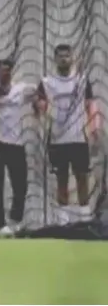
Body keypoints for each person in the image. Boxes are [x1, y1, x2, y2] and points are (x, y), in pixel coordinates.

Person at [36, 43, 102, 222]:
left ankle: (84, 215)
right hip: (57, 139)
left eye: (67, 55)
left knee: (82, 177)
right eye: (60, 56)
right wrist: (44, 111)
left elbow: (90, 104)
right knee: (61, 179)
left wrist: (95, 128)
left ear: (72, 57)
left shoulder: (81, 81)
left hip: (79, 138)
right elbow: (40, 105)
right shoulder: (47, 82)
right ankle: (63, 218)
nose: (64, 59)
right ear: (55, 59)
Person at [0, 58, 37, 236]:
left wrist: (38, 105)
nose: (6, 73)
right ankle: (0, 225)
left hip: (17, 144)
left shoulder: (20, 89)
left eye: (9, 70)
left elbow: (40, 93)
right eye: (3, 70)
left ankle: (15, 221)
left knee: (20, 185)